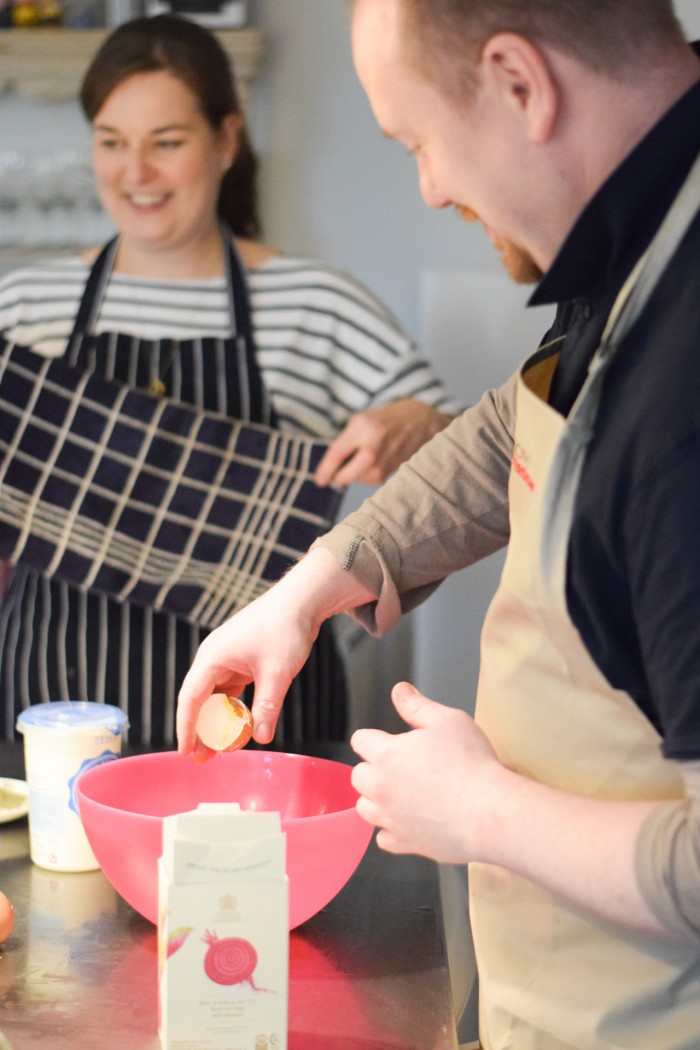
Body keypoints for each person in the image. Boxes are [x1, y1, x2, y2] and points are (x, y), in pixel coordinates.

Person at [176, 1, 700, 1047]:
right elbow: (522, 411)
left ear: (519, 83)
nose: (430, 189)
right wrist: (322, 577)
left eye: (419, 142)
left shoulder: (682, 393)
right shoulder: (642, 235)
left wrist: (479, 815)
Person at [0, 13, 461, 746]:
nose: (135, 173)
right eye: (111, 142)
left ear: (226, 140)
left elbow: (458, 458)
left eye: (167, 143)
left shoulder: (315, 303)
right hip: (58, 701)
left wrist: (415, 424)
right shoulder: (27, 306)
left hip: (262, 709)